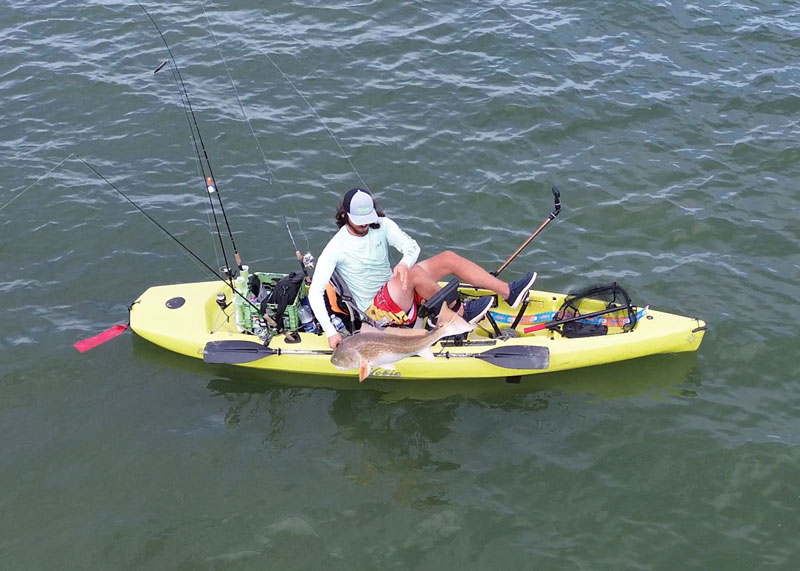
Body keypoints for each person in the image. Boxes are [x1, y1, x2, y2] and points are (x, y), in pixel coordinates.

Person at [307, 188, 537, 349]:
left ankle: (509, 292)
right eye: (359, 220)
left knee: (447, 258)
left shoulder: (382, 225)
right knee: (415, 274)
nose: (365, 224)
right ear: (344, 215)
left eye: (368, 217)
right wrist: (331, 332)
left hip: (395, 290)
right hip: (376, 311)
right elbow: (315, 293)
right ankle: (460, 314)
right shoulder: (336, 247)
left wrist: (403, 264)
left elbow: (412, 247)